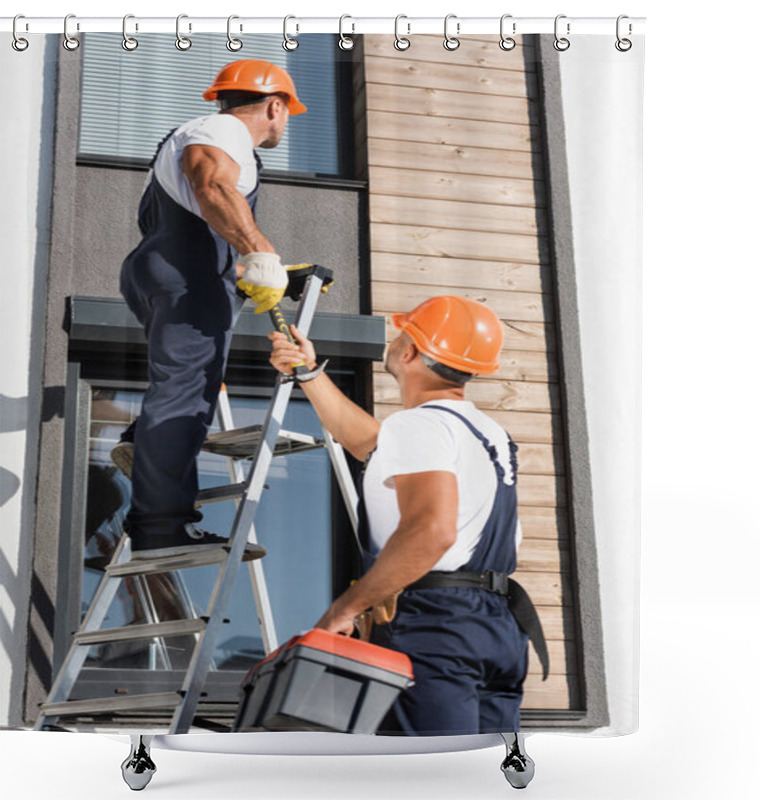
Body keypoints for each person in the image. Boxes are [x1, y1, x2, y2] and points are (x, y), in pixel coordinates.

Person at [268, 295, 548, 736]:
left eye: (402, 332)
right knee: (475, 778)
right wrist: (309, 372)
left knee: (423, 778)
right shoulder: (482, 432)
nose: (394, 340)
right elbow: (372, 447)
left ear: (410, 351)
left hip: (434, 626)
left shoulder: (418, 425)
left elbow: (431, 532)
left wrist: (343, 611)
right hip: (494, 629)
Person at [115, 59, 306, 561]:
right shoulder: (221, 129)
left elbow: (204, 214)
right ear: (274, 106)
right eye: (287, 114)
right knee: (183, 395)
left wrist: (256, 268)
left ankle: (143, 446)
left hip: (166, 271)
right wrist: (259, 251)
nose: (284, 124)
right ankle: (160, 530)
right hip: (185, 279)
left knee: (179, 386)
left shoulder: (197, 134)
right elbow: (214, 187)